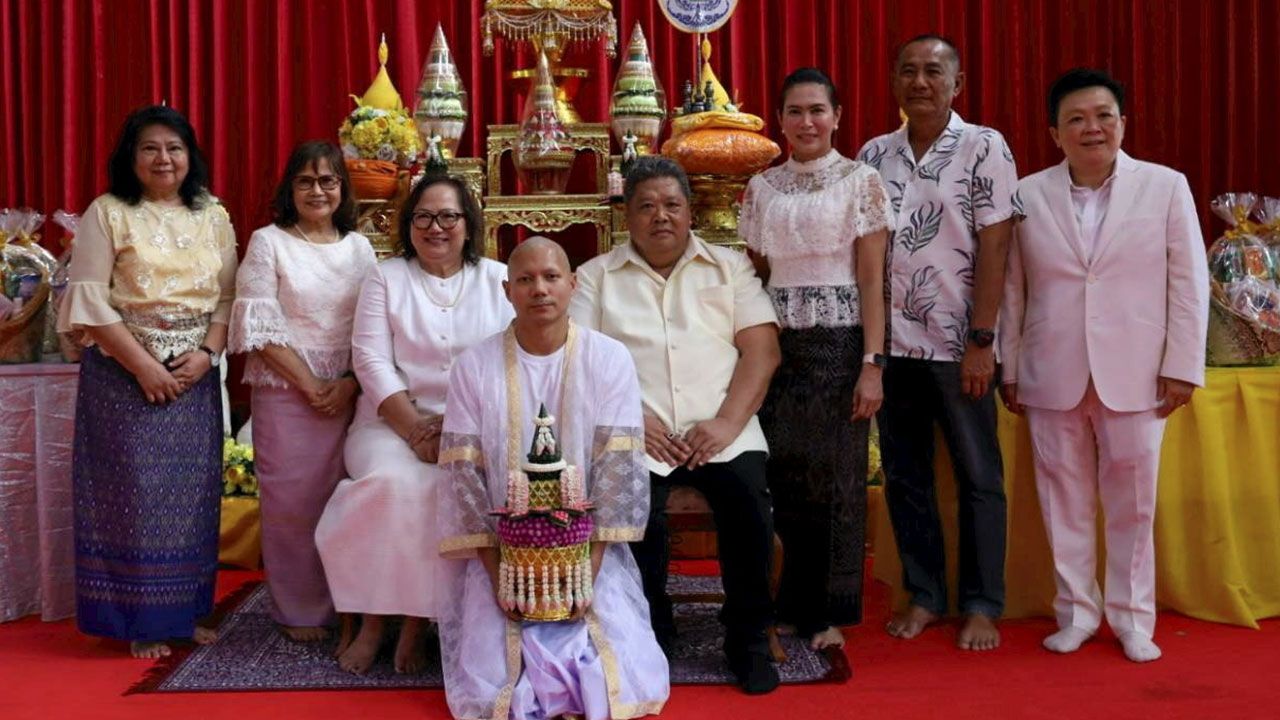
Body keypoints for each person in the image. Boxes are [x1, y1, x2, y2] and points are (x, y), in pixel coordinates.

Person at [999, 68, 1209, 663]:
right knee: (1061, 499)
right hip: (1049, 369)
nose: (1092, 128)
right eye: (1076, 119)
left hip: (1139, 371)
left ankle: (1134, 619)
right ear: (1055, 132)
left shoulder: (1166, 187)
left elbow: (1188, 283)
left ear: (1123, 123)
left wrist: (1182, 364)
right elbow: (1014, 288)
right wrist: (1010, 364)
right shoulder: (1028, 194)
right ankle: (1075, 613)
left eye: (1103, 116)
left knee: (1134, 501)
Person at [570, 156, 782, 693]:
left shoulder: (730, 267)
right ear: (628, 215)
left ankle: (748, 637)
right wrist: (633, 421)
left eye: (672, 205)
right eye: (646, 206)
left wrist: (727, 422)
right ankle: (653, 631)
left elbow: (762, 351)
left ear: (690, 211)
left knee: (749, 506)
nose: (660, 216)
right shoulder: (596, 277)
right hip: (636, 434)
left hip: (723, 430)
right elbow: (578, 362)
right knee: (637, 513)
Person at [437, 237, 669, 720]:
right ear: (507, 291)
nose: (539, 289)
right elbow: (465, 474)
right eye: (525, 279)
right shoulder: (473, 366)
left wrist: (583, 573)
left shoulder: (608, 358)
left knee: (614, 679)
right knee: (490, 689)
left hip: (589, 557)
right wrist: (501, 574)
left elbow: (617, 469)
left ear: (573, 285)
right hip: (504, 559)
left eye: (551, 277)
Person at [57, 105, 238, 659]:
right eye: (150, 148)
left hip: (193, 375)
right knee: (132, 497)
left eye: (175, 148)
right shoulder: (108, 213)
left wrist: (208, 354)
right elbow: (88, 298)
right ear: (130, 158)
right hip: (123, 376)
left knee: (190, 498)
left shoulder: (213, 214)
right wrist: (143, 367)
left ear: (191, 155)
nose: (164, 159)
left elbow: (230, 297)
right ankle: (137, 620)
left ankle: (182, 615)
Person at [314, 174, 513, 674]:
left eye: (449, 216)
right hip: (387, 424)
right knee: (393, 482)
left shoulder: (499, 278)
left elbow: (509, 364)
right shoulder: (387, 277)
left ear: (469, 225)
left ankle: (416, 624)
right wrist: (414, 430)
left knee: (440, 487)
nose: (436, 227)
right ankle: (378, 621)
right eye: (423, 216)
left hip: (472, 428)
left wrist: (454, 428)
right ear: (408, 225)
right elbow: (371, 361)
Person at [857, 34, 1018, 651]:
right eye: (908, 72)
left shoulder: (984, 148)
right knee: (904, 476)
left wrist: (983, 340)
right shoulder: (873, 155)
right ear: (895, 83)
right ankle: (926, 594)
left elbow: (997, 246)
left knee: (980, 476)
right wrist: (870, 353)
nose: (919, 82)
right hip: (893, 348)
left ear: (958, 83)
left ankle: (982, 602)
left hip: (959, 347)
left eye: (933, 71)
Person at [739, 67, 893, 651]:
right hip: (778, 348)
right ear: (780, 121)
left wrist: (873, 364)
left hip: (841, 345)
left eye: (817, 111)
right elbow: (757, 274)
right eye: (795, 112)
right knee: (783, 477)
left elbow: (873, 279)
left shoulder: (862, 181)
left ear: (837, 116)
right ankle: (788, 602)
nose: (807, 122)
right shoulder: (762, 188)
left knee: (836, 482)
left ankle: (828, 612)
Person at [227, 141, 375, 642]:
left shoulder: (360, 247)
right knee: (292, 505)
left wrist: (350, 384)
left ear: (342, 189)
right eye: (306, 181)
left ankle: (350, 601)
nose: (318, 190)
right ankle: (297, 609)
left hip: (349, 397)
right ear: (290, 189)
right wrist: (311, 383)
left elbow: (376, 326)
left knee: (344, 500)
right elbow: (257, 326)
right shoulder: (269, 242)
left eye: (328, 180)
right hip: (288, 392)